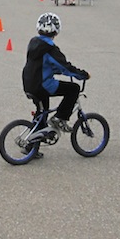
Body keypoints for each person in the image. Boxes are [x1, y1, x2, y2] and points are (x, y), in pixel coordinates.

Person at [22, 13, 90, 148]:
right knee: (73, 89)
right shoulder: (51, 49)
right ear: (56, 30)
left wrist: (57, 70)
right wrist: (82, 74)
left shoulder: (34, 43)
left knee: (42, 111)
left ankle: (31, 145)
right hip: (42, 85)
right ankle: (61, 117)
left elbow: (43, 64)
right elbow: (65, 67)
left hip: (29, 83)